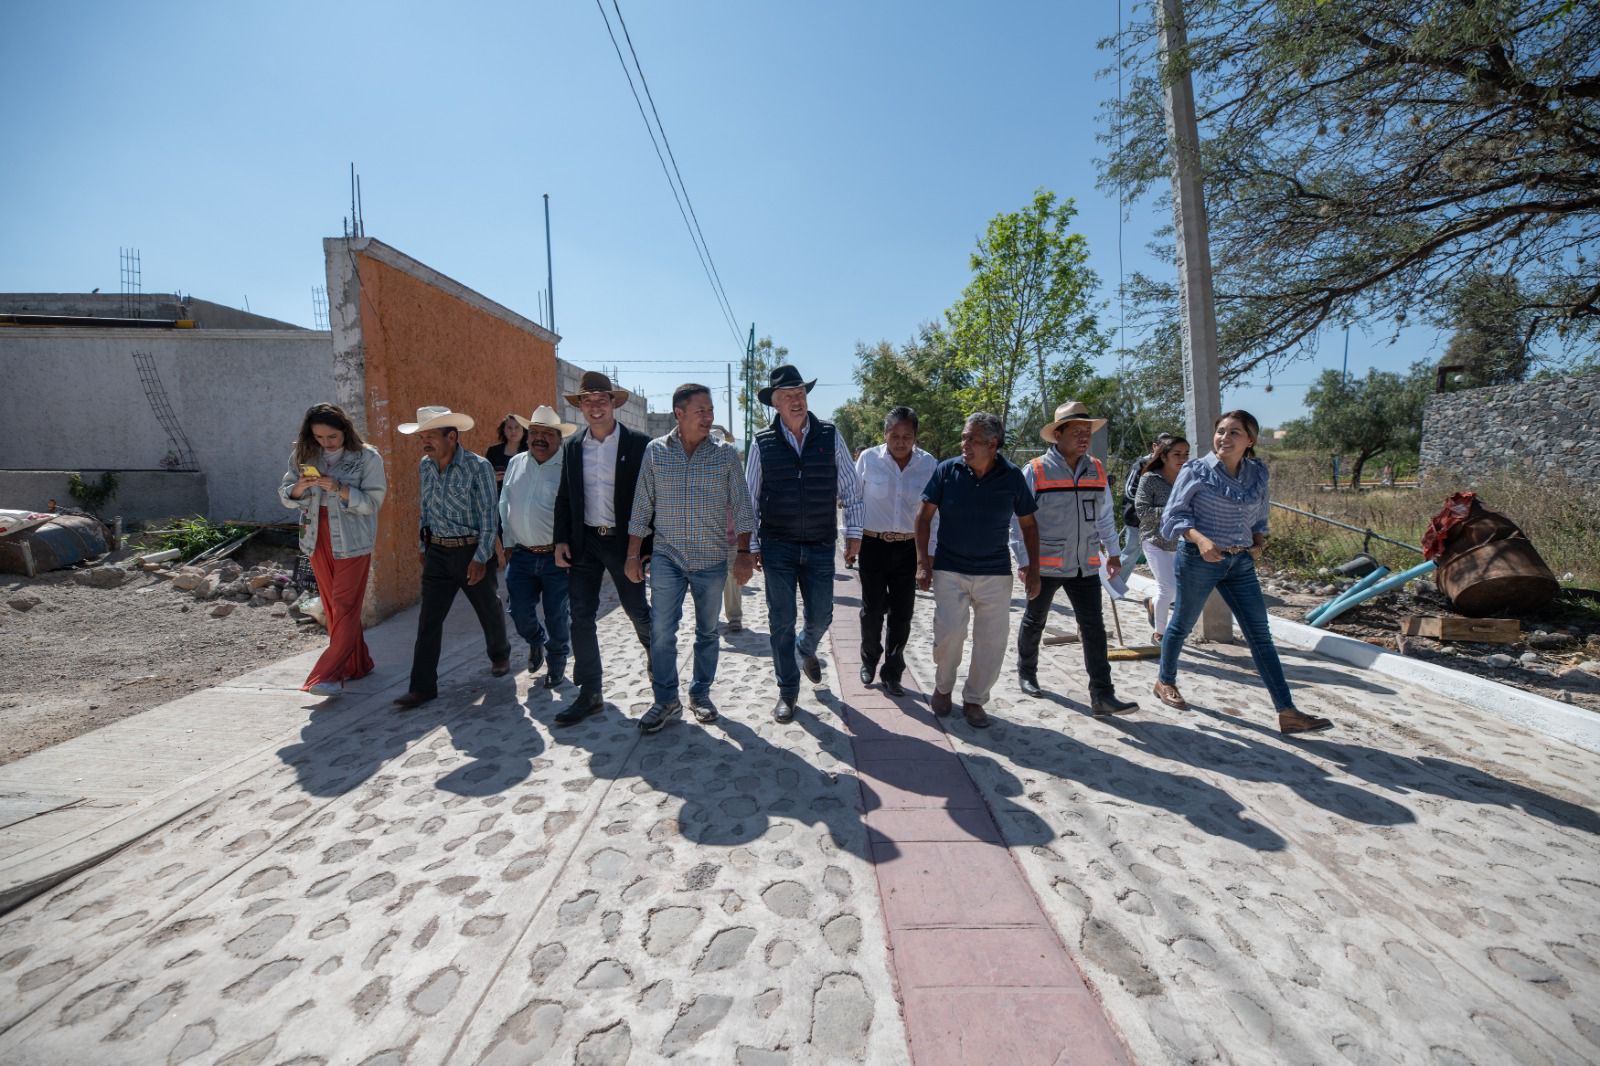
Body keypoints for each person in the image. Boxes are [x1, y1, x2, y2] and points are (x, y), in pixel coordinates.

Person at [1154, 409, 1333, 735]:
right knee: (1181, 623)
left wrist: (1259, 540)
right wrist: (1201, 539)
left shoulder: (1257, 473)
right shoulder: (1196, 470)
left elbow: (1260, 515)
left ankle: (1287, 712)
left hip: (1240, 564)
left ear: (1250, 440)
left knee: (1260, 636)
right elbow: (1173, 517)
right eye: (1221, 431)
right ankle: (1165, 680)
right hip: (1198, 559)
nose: (1224, 437)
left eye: (1234, 432)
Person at [626, 385, 756, 733]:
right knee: (662, 631)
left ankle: (700, 694)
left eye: (711, 410)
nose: (709, 417)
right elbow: (642, 506)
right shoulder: (656, 452)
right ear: (679, 414)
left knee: (708, 632)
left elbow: (743, 506)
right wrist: (632, 555)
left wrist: (744, 553)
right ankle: (666, 700)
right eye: (701, 411)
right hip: (668, 557)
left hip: (712, 559)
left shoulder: (726, 455)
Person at [745, 364, 865, 722]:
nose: (796, 401)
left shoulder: (829, 435)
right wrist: (751, 546)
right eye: (787, 397)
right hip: (778, 546)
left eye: (800, 394)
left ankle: (806, 646)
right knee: (781, 621)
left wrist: (854, 533)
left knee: (822, 615)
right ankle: (787, 690)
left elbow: (851, 488)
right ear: (776, 404)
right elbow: (750, 498)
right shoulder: (762, 442)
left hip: (818, 544)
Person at [1012, 401, 1139, 716]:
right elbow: (1018, 520)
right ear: (1058, 435)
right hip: (1047, 564)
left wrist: (1113, 552)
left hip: (1085, 564)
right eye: (1077, 432)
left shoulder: (1096, 468)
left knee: (1093, 627)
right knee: (1035, 620)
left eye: (1088, 433)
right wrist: (1025, 563)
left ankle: (1102, 694)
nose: (1084, 438)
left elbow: (1105, 516)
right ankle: (1027, 673)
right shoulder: (1036, 470)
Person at [916, 413, 1041, 729]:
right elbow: (923, 517)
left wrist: (1033, 569)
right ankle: (943, 687)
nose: (964, 444)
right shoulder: (947, 471)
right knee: (949, 635)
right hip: (950, 569)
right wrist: (923, 562)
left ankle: (974, 699)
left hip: (995, 573)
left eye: (971, 439)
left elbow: (1028, 525)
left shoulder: (1012, 477)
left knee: (991, 642)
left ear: (992, 443)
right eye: (963, 437)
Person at [551, 371, 654, 725]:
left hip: (625, 542)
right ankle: (590, 692)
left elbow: (651, 498)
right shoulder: (573, 446)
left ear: (613, 404)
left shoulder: (638, 444)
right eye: (587, 402)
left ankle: (658, 662)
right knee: (580, 615)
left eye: (601, 400)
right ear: (580, 407)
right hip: (585, 542)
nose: (595, 407)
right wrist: (561, 539)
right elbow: (565, 496)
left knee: (636, 608)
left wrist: (647, 549)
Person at [393, 405, 511, 709]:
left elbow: (489, 516)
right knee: (428, 620)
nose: (425, 443)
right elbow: (426, 508)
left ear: (452, 436)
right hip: (437, 553)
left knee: (488, 608)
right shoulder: (425, 465)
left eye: (431, 437)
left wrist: (481, 556)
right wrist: (423, 547)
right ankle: (422, 687)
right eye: (423, 438)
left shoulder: (478, 466)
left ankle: (499, 654)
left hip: (471, 551)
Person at [279, 403, 386, 697]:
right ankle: (358, 664)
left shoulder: (367, 457)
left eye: (332, 437)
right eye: (319, 437)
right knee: (332, 608)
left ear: (345, 431)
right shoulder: (302, 455)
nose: (325, 443)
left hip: (353, 539)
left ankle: (327, 675)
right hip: (315, 537)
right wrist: (300, 487)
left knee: (345, 608)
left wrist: (340, 488)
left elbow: (373, 503)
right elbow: (287, 494)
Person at [854, 405, 937, 697]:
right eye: (895, 435)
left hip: (908, 548)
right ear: (885, 434)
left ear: (915, 436)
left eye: (907, 436)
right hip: (873, 545)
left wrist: (928, 555)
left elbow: (934, 514)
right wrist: (850, 541)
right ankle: (869, 659)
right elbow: (854, 502)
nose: (900, 442)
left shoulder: (929, 465)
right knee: (872, 611)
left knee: (902, 614)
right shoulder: (868, 460)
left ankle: (893, 671)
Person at [500, 405, 575, 689]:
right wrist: (507, 543)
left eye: (547, 433)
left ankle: (556, 663)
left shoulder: (569, 466)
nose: (539, 438)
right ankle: (535, 640)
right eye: (534, 433)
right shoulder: (516, 462)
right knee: (519, 612)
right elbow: (504, 502)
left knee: (557, 614)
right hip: (521, 554)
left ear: (559, 438)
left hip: (557, 558)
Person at [1134, 435, 1190, 644]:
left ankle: (1152, 604)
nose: (1182, 458)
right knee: (1168, 588)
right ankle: (1160, 634)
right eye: (1177, 454)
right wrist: (1170, 511)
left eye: (1186, 454)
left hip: (1181, 542)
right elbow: (1141, 510)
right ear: (1164, 456)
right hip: (1154, 540)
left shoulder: (1188, 479)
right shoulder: (1150, 479)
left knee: (1177, 591)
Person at [710, 424, 744, 631]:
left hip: (730, 536)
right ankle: (710, 617)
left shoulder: (731, 465)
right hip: (707, 537)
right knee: (709, 582)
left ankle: (734, 618)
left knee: (732, 579)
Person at [485, 414, 529, 485]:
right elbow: (484, 476)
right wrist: (492, 478)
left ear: (523, 431)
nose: (513, 431)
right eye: (509, 428)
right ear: (504, 430)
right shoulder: (493, 452)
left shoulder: (530, 453)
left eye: (517, 427)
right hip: (498, 494)